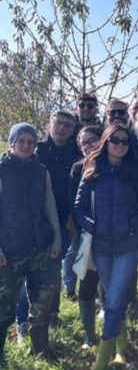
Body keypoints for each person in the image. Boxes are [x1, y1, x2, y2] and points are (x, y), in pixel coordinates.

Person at [74, 124, 138, 370]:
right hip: (101, 247)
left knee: (112, 302)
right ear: (106, 142)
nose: (120, 145)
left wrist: (135, 225)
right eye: (115, 140)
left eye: (125, 141)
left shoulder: (135, 172)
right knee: (113, 298)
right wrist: (91, 225)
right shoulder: (92, 171)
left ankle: (100, 362)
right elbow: (78, 209)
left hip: (128, 246)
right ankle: (122, 347)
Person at [0, 123, 61, 363]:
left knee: (42, 303)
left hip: (40, 249)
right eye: (21, 141)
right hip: (10, 250)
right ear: (12, 142)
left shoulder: (41, 171)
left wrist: (56, 239)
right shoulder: (2, 170)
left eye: (30, 142)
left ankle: (41, 350)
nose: (26, 146)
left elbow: (50, 206)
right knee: (4, 307)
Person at [35, 110, 81, 328]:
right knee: (34, 270)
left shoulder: (77, 154)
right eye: (58, 123)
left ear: (73, 130)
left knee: (54, 268)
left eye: (67, 125)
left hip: (64, 220)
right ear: (49, 124)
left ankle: (53, 314)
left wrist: (74, 216)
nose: (61, 128)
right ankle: (28, 320)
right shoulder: (37, 150)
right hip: (35, 220)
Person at [68, 125, 104, 350]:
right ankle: (89, 334)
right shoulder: (77, 168)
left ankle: (116, 334)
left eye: (92, 140)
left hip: (115, 235)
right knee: (88, 281)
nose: (88, 145)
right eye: (83, 143)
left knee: (113, 285)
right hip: (88, 234)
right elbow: (74, 206)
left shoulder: (114, 162)